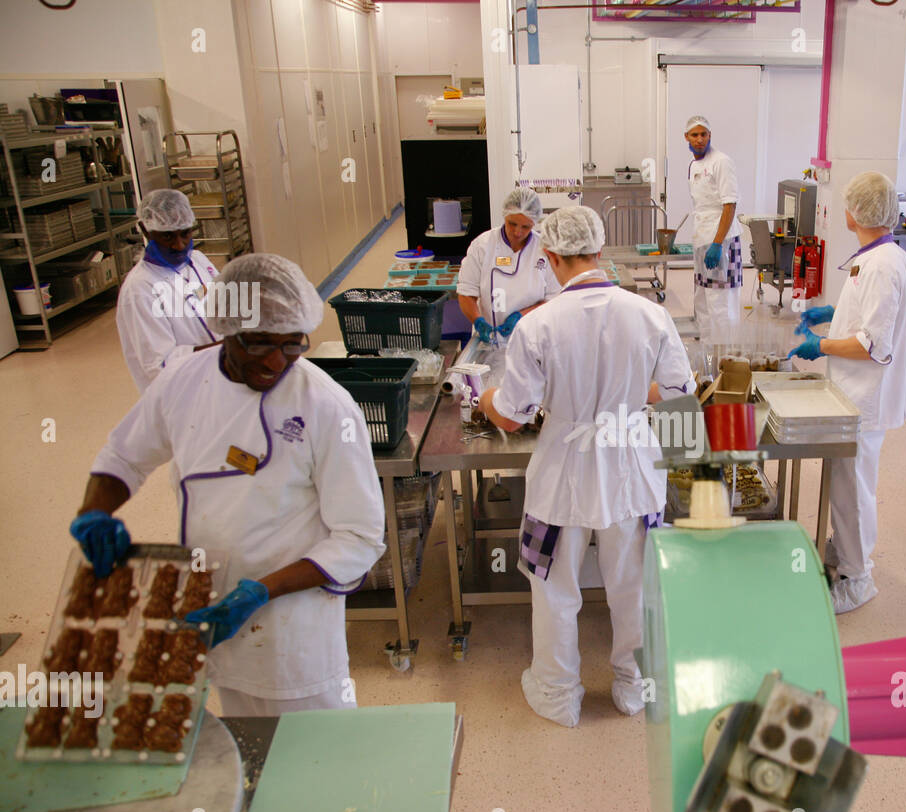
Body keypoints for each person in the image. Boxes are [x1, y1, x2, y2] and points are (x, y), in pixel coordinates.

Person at [69, 253, 387, 716]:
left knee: (315, 762)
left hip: (289, 633)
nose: (276, 362)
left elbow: (359, 537)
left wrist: (260, 591)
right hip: (207, 614)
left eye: (292, 345)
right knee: (245, 743)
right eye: (259, 343)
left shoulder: (326, 407)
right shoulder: (182, 380)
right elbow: (124, 455)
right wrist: (94, 512)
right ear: (224, 330)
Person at [479, 206, 694, 728]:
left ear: (550, 258)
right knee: (634, 587)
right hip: (633, 471)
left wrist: (485, 397)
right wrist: (622, 394)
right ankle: (633, 688)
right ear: (600, 252)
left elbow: (512, 416)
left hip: (562, 476)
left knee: (554, 588)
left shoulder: (538, 325)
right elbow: (678, 396)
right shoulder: (648, 314)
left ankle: (558, 693)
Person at [788, 171, 906, 614]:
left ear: (857, 211)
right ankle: (845, 551)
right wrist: (833, 311)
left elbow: (871, 344)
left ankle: (858, 579)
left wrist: (818, 344)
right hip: (853, 394)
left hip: (866, 397)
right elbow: (865, 318)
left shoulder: (882, 265)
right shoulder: (879, 254)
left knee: (853, 488)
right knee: (846, 483)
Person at [115, 189, 222, 393]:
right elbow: (159, 366)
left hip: (218, 382)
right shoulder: (140, 289)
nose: (179, 245)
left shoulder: (197, 260)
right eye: (167, 237)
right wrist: (229, 348)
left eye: (185, 233)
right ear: (145, 230)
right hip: (181, 396)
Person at [457, 187, 560, 346]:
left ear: (534, 223)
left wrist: (521, 315)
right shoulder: (482, 246)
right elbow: (466, 293)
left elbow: (554, 299)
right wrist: (478, 321)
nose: (517, 232)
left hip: (533, 341)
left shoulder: (544, 250)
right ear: (504, 216)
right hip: (489, 341)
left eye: (525, 227)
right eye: (512, 224)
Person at [684, 115, 742, 346]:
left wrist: (718, 243)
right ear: (686, 137)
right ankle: (707, 356)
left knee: (721, 305)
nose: (699, 139)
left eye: (703, 134)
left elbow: (730, 204)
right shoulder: (694, 165)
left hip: (722, 240)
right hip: (702, 238)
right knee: (703, 301)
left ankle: (725, 360)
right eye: (694, 135)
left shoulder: (722, 161)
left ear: (710, 136)